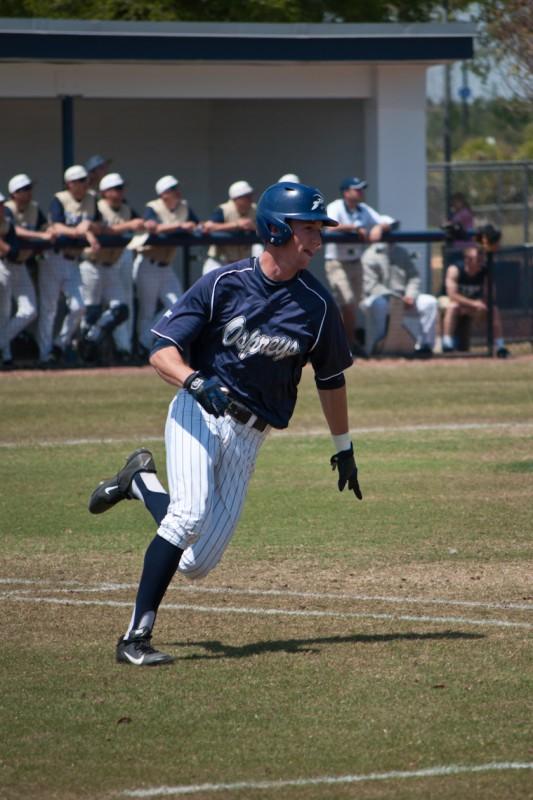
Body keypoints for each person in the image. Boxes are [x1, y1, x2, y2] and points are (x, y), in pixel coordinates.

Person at [88, 181, 363, 666]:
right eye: (309, 227)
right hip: (198, 409)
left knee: (197, 562)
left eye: (321, 227)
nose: (318, 237)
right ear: (277, 228)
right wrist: (194, 381)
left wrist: (344, 447)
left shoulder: (318, 307)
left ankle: (140, 483)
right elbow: (162, 352)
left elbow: (331, 379)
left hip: (251, 435)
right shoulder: (223, 283)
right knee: (188, 515)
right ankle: (134, 639)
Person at [38, 165, 102, 366]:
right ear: (70, 184)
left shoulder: (92, 199)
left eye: (86, 180)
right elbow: (56, 226)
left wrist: (90, 227)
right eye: (80, 180)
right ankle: (45, 354)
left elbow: (100, 224)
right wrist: (79, 232)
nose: (85, 183)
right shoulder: (60, 199)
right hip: (54, 258)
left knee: (79, 307)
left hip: (73, 260)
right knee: (49, 309)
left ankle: (59, 344)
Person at [78, 173, 145, 363]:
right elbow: (97, 228)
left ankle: (100, 339)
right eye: (115, 189)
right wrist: (128, 226)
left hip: (111, 266)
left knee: (121, 309)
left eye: (121, 188)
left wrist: (144, 224)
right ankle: (85, 352)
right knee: (89, 310)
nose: (120, 192)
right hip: (91, 265)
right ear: (105, 192)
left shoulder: (126, 209)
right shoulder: (97, 208)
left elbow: (140, 225)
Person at [324, 177, 392, 353]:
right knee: (346, 301)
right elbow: (329, 226)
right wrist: (353, 227)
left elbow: (385, 221)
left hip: (356, 262)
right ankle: (346, 343)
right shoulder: (336, 206)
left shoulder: (363, 209)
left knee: (353, 305)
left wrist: (379, 228)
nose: (360, 192)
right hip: (337, 262)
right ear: (346, 192)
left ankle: (349, 343)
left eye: (361, 189)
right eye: (357, 189)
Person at [133, 175, 198, 358]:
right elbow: (152, 227)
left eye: (177, 188)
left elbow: (196, 224)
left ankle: (149, 340)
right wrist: (179, 226)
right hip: (148, 263)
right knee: (147, 310)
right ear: (163, 194)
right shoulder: (153, 207)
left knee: (178, 304)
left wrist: (188, 226)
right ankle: (143, 347)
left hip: (166, 266)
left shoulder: (183, 206)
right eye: (173, 189)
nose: (178, 191)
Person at [2, 174, 55, 367]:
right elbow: (14, 231)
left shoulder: (34, 208)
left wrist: (50, 229)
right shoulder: (6, 208)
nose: (28, 192)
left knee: (30, 310)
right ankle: (6, 356)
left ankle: (1, 343)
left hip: (21, 265)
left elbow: (45, 226)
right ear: (14, 194)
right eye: (24, 189)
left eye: (29, 188)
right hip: (4, 264)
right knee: (4, 312)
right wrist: (41, 235)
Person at [360, 239, 438, 356]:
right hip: (381, 298)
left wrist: (410, 295)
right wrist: (396, 299)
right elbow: (371, 286)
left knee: (430, 302)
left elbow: (414, 277)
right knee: (379, 304)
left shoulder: (402, 252)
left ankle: (425, 346)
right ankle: (379, 346)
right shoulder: (369, 254)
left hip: (405, 298)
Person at [441, 243, 509, 357]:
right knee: (453, 306)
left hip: (473, 304)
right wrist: (473, 303)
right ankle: (447, 343)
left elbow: (491, 294)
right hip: (449, 301)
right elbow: (452, 295)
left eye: (482, 259)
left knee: (494, 310)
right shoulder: (455, 269)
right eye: (477, 259)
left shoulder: (484, 271)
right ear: (467, 259)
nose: (481, 262)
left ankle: (500, 346)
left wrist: (480, 304)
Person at [202, 180, 256, 274]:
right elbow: (206, 227)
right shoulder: (224, 209)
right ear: (237, 199)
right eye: (247, 197)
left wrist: (254, 227)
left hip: (242, 265)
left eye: (251, 195)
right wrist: (236, 225)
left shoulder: (254, 210)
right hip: (218, 263)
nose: (251, 199)